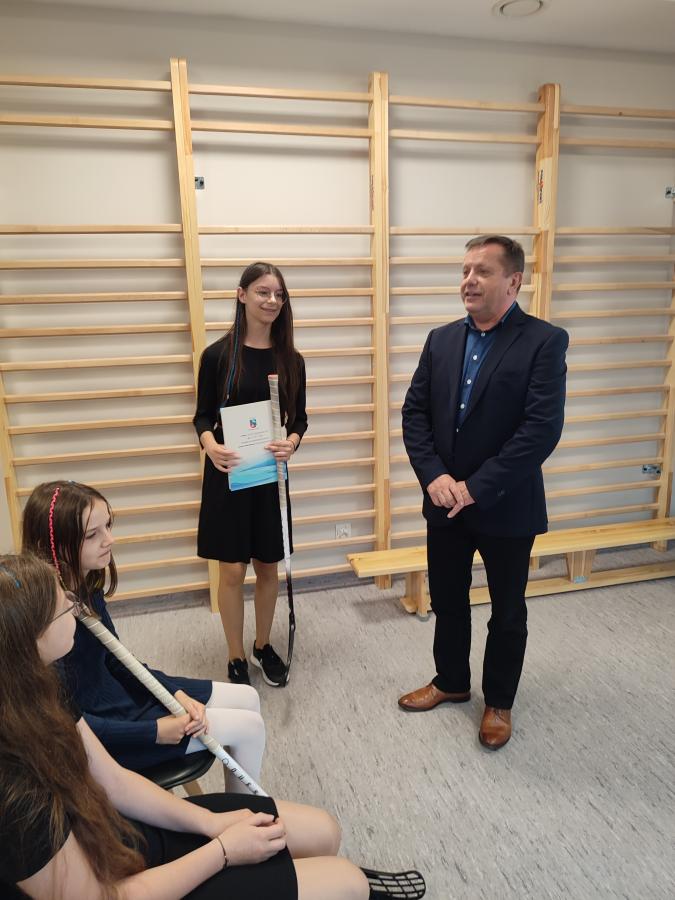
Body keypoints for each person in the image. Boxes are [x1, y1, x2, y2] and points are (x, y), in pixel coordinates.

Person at [0, 553, 421, 900]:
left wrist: (210, 823)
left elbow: (116, 782)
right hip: (114, 884)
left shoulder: (40, 687)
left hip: (116, 834)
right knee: (347, 883)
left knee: (323, 833)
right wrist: (222, 852)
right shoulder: (14, 793)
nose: (75, 606)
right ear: (31, 639)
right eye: (64, 607)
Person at [398, 235, 568, 750]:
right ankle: (451, 681)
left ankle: (498, 701)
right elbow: (414, 414)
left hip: (505, 504)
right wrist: (434, 477)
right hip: (444, 503)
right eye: (465, 270)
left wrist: (476, 487)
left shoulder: (544, 341)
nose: (469, 280)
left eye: (482, 271)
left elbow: (540, 430)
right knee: (448, 600)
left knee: (507, 611)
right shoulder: (441, 340)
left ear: (514, 281)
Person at [22, 480, 265, 791]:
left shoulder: (86, 587)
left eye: (108, 526)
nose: (109, 539)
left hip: (121, 698)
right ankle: (244, 814)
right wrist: (156, 732)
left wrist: (176, 694)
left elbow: (118, 660)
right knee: (249, 729)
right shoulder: (45, 621)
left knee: (248, 697)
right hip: (107, 737)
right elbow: (66, 722)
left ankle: (241, 805)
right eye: (93, 535)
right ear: (53, 545)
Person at [194, 261, 307, 687]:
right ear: (242, 295)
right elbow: (202, 416)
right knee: (231, 572)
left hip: (270, 477)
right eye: (263, 291)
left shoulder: (291, 360)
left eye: (279, 294)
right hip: (229, 474)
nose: (272, 300)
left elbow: (300, 420)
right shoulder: (217, 356)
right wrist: (211, 447)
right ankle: (236, 655)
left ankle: (262, 645)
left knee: (268, 567)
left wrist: (291, 442)